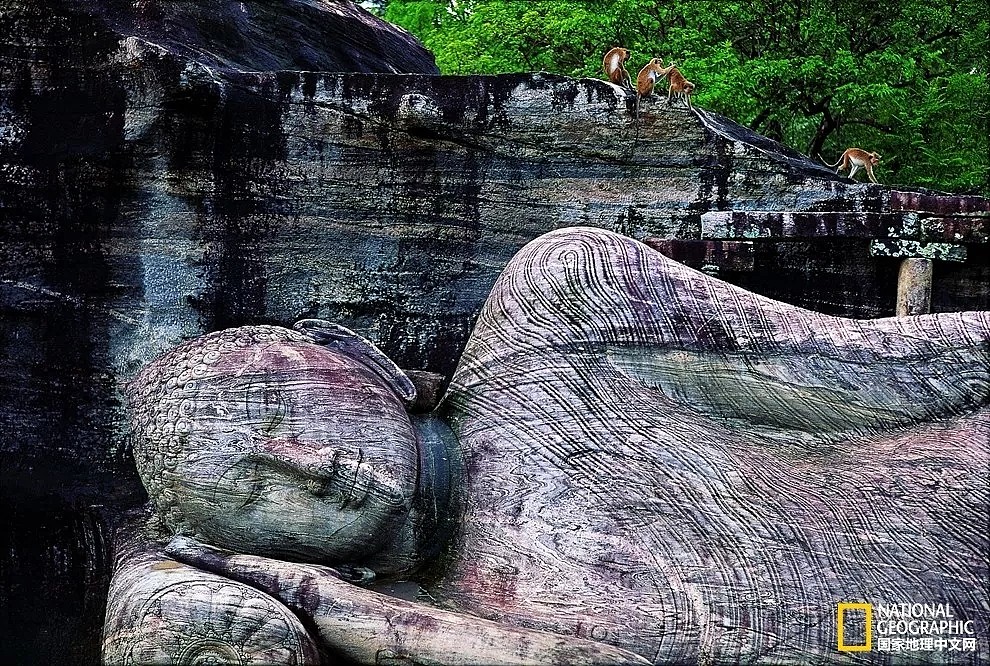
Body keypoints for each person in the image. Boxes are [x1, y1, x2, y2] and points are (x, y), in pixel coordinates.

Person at [105, 227, 990, 665]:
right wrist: (363, 618)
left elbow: (899, 367)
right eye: (255, 494)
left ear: (353, 352)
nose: (306, 464)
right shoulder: (451, 622)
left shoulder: (559, 316)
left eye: (279, 411)